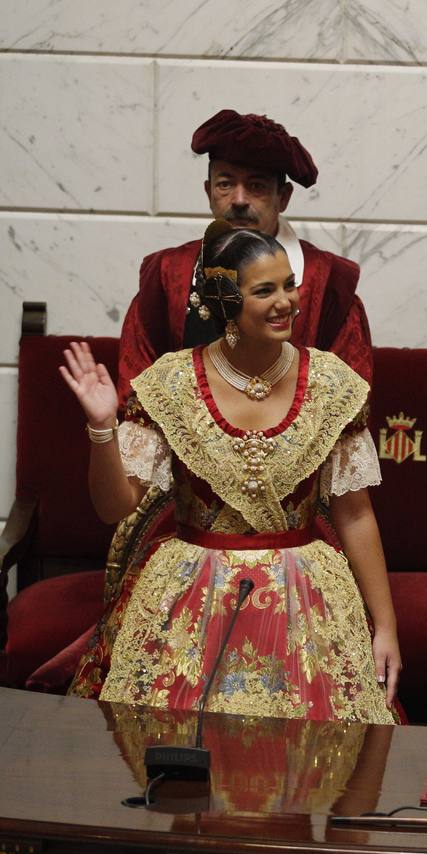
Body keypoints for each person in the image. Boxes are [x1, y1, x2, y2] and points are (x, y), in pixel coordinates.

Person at [59, 221, 399, 723]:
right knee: (178, 762)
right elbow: (115, 507)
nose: (286, 302)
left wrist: (385, 626)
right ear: (225, 303)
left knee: (310, 769)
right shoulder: (170, 383)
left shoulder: (331, 384)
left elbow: (354, 515)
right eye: (265, 290)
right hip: (191, 598)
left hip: (305, 601)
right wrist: (102, 426)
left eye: (289, 285)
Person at [116, 108, 373, 406]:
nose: (238, 200)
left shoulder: (329, 284)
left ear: (284, 197)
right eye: (225, 184)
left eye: (256, 186)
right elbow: (136, 393)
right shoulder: (167, 273)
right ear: (208, 191)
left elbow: (349, 404)